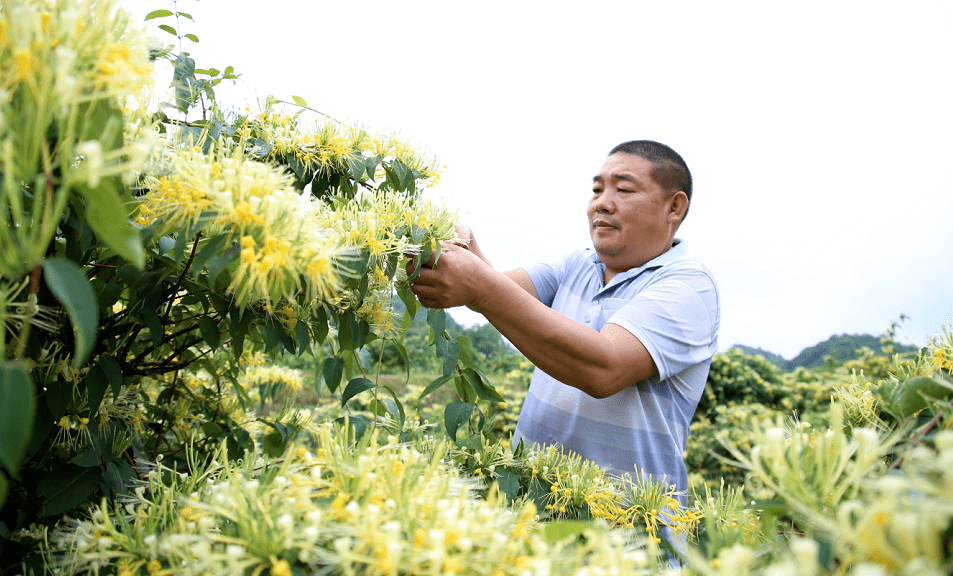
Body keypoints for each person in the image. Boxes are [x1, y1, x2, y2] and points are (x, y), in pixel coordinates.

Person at [408, 140, 720, 511]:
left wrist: (476, 284)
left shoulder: (689, 287)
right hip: (530, 512)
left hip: (625, 532)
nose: (602, 202)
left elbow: (604, 368)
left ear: (674, 206)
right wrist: (464, 243)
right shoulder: (578, 265)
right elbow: (497, 289)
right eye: (596, 189)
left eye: (623, 189)